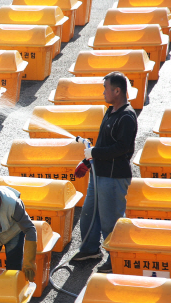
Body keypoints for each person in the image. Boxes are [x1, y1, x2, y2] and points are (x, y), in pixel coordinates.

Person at [71, 71, 138, 273]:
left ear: (117, 91)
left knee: (111, 221)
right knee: (89, 214)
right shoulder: (110, 112)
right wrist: (87, 160)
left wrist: (94, 152)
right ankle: (90, 249)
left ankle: (115, 256)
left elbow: (122, 148)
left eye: (105, 88)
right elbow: (101, 144)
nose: (103, 93)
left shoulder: (126, 117)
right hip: (98, 175)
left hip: (114, 178)